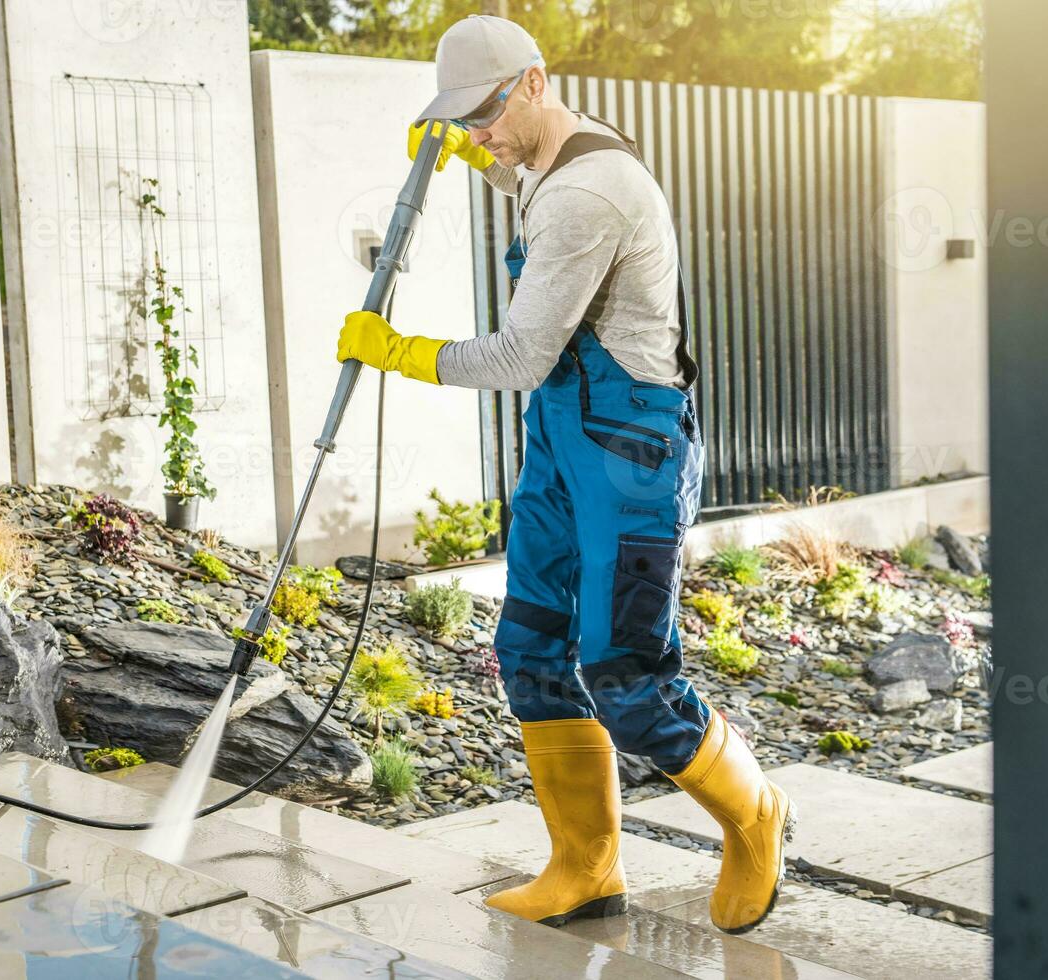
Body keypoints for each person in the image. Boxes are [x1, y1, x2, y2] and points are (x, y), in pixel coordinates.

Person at [335, 14, 794, 935]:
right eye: (461, 121)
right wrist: (488, 164)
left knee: (624, 672)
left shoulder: (590, 192)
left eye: (486, 114)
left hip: (629, 454)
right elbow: (529, 179)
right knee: (532, 649)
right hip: (561, 447)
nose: (478, 132)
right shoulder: (553, 161)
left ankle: (754, 817)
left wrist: (400, 353)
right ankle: (585, 866)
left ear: (534, 81)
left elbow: (518, 354)